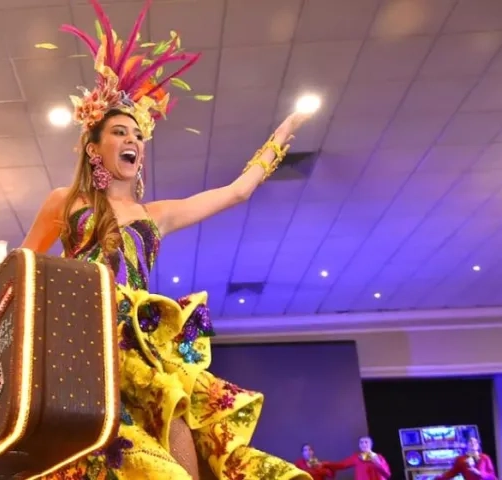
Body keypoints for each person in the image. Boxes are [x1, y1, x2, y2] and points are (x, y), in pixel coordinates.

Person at [21, 1, 315, 478]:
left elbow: (237, 192)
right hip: (85, 336)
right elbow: (21, 268)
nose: (132, 138)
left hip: (144, 336)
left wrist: (281, 136)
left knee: (176, 417)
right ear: (94, 147)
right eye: (119, 131)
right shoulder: (65, 201)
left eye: (137, 132)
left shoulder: (155, 216)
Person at [324, 436, 390, 480]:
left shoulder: (378, 457)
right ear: (359, 445)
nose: (363, 444)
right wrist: (326, 464)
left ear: (371, 444)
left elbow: (387, 474)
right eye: (361, 443)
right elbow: (342, 465)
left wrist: (376, 462)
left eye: (366, 442)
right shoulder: (357, 457)